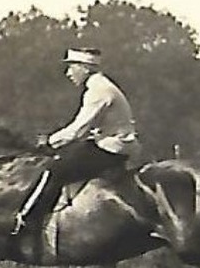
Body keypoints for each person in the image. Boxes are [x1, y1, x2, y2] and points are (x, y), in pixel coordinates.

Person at [12, 48, 137, 236]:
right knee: (64, 157)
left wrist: (49, 141)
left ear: (85, 68)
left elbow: (78, 130)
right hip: (109, 143)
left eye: (71, 67)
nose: (68, 73)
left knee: (53, 169)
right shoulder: (101, 86)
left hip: (111, 148)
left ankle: (28, 222)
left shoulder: (99, 91)